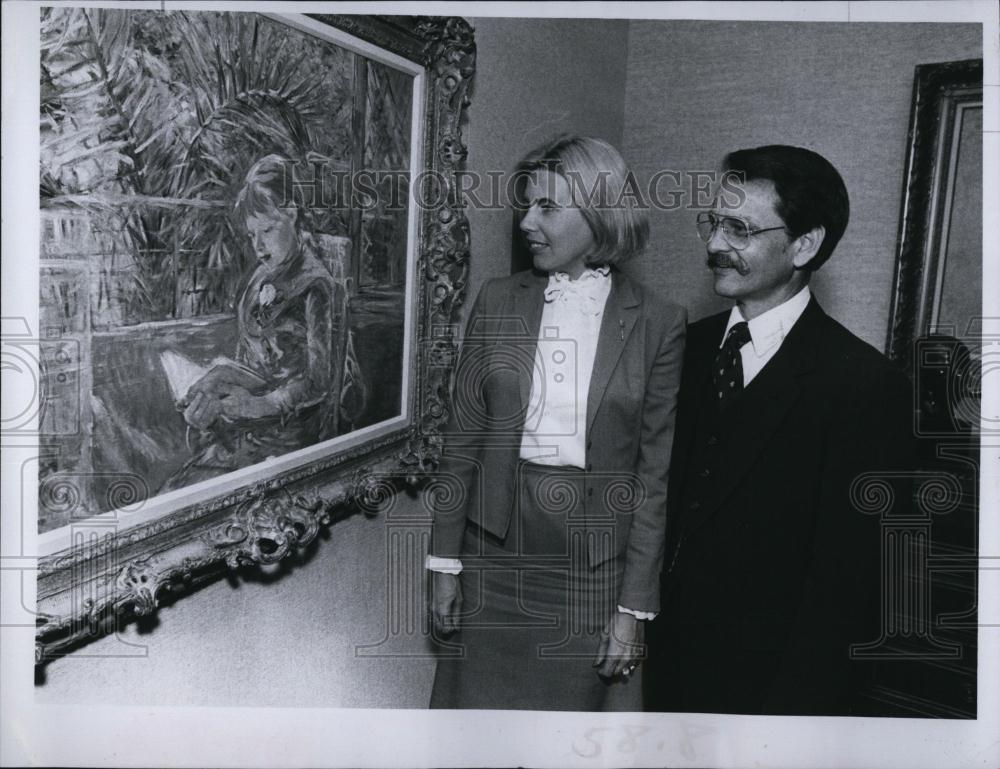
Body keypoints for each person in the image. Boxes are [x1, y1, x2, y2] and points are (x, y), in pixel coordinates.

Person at [644, 145, 917, 715]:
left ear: (805, 245)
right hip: (651, 674)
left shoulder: (864, 384)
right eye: (714, 223)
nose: (716, 245)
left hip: (767, 695)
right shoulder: (682, 349)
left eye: (739, 229)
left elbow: (850, 586)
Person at [426, 135, 686, 711]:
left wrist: (633, 607)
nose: (525, 222)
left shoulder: (661, 324)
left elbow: (652, 479)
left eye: (546, 207)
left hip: (591, 569)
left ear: (601, 216)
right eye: (526, 205)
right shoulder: (497, 300)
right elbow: (461, 439)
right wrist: (444, 560)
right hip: (491, 554)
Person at [161, 154, 364, 491]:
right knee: (180, 485)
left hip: (291, 436)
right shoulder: (259, 279)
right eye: (251, 234)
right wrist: (217, 378)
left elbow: (319, 382)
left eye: (267, 230)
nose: (258, 246)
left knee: (191, 489)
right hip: (252, 424)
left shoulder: (319, 288)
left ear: (292, 215)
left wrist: (260, 405)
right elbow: (257, 365)